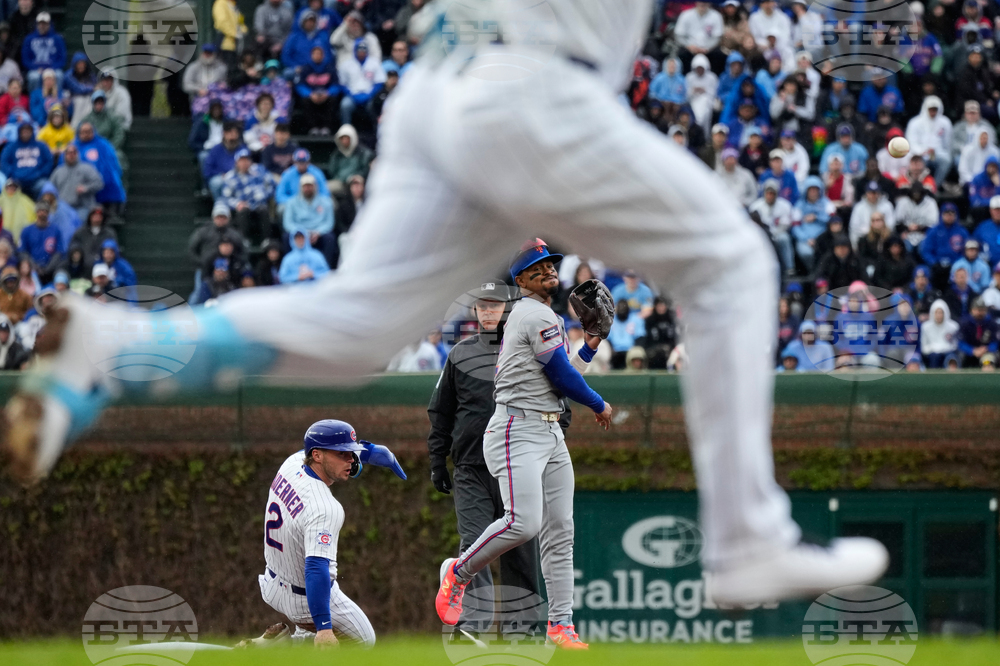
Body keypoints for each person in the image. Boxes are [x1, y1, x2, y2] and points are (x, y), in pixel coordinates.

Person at [7, 6, 890, 609]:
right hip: (530, 86)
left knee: (358, 325)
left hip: (438, 85)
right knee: (733, 262)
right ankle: (746, 541)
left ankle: (115, 344)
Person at [434, 241, 608, 648]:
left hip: (546, 429)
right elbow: (564, 378)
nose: (548, 270)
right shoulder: (532, 313)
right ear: (521, 280)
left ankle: (560, 625)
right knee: (524, 523)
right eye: (537, 267)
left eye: (550, 264)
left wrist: (592, 342)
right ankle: (457, 572)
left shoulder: (542, 316)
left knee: (560, 531)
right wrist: (598, 403)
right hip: (518, 428)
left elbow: (564, 374)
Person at [427, 282, 547, 644]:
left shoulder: (529, 351)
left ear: (508, 310)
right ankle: (472, 627)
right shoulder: (460, 354)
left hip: (518, 464)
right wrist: (437, 459)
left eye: (495, 306)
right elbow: (441, 410)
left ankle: (522, 632)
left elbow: (559, 403)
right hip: (471, 469)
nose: (488, 312)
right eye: (483, 307)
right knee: (473, 543)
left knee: (521, 550)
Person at [253, 419, 404, 648]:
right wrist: (324, 628)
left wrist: (369, 453)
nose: (351, 459)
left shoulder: (292, 463)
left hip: (272, 585)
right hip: (305, 598)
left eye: (352, 453)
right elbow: (316, 569)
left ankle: (284, 642)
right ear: (317, 455)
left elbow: (330, 458)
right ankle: (284, 648)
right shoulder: (325, 507)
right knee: (364, 641)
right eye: (343, 453)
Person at [220, 147, 275, 245]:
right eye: (242, 160)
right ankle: (244, 240)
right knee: (243, 211)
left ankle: (266, 240)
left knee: (264, 209)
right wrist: (237, 204)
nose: (245, 163)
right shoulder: (230, 177)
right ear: (237, 162)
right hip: (243, 207)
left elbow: (272, 184)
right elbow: (225, 197)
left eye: (247, 160)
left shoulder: (259, 171)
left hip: (259, 204)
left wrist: (265, 195)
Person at [282, 174, 338, 268]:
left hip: (319, 233)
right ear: (301, 187)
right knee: (287, 237)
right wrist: (303, 233)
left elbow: (329, 223)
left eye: (310, 186)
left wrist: (318, 232)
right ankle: (292, 267)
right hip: (299, 232)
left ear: (315, 186)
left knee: (330, 238)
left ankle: (325, 268)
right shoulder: (292, 203)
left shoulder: (326, 202)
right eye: (305, 186)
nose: (308, 189)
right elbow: (288, 223)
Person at [73, 121, 125, 207]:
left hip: (103, 184)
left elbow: (111, 165)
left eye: (88, 132)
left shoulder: (103, 145)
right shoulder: (74, 146)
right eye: (83, 132)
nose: (86, 134)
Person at [749, 179, 794, 274]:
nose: (770, 196)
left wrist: (774, 234)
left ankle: (789, 269)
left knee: (784, 238)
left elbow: (785, 225)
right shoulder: (755, 206)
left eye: (772, 193)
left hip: (778, 233)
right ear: (764, 193)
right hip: (762, 234)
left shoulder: (785, 205)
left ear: (776, 194)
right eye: (768, 193)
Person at [337, 39, 386, 127]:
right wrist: (352, 95)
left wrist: (369, 95)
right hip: (352, 95)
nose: (361, 52)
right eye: (359, 49)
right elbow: (342, 84)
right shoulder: (346, 64)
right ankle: (346, 131)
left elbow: (379, 82)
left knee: (374, 105)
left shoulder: (374, 63)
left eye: (363, 49)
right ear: (355, 50)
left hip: (370, 95)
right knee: (345, 105)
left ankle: (375, 131)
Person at [295, 45, 342, 135]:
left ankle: (326, 128)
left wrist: (327, 93)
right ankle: (313, 128)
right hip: (311, 96)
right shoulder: (305, 68)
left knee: (332, 100)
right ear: (311, 55)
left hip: (326, 95)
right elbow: (299, 85)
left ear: (323, 55)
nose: (317, 56)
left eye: (319, 54)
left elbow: (336, 85)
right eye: (315, 54)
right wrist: (310, 94)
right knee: (305, 101)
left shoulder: (330, 68)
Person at [188, 203, 248, 274]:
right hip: (206, 269)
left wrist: (235, 262)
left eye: (223, 217)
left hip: (230, 270)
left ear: (228, 218)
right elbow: (191, 250)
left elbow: (244, 252)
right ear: (213, 217)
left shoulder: (235, 234)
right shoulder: (203, 232)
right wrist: (202, 263)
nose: (221, 219)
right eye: (218, 217)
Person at [51, 144, 104, 222]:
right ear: (65, 155)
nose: (71, 155)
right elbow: (50, 189)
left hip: (83, 207)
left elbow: (99, 183)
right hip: (63, 208)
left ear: (77, 154)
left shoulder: (87, 168)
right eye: (69, 153)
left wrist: (86, 188)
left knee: (79, 224)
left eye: (74, 153)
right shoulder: (58, 172)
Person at [0, 121, 52, 196]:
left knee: (47, 188)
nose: (25, 132)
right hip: (16, 181)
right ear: (19, 132)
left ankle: (43, 207)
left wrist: (40, 173)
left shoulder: (41, 146)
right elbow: (4, 161)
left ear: (32, 131)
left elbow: (49, 161)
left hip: (37, 180)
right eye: (23, 130)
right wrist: (12, 173)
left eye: (28, 130)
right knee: (7, 187)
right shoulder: (11, 147)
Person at [19, 200, 63, 283]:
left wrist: (48, 268)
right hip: (32, 271)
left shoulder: (55, 230)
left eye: (45, 211)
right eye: (40, 211)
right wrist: (34, 266)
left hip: (50, 270)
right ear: (36, 212)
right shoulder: (27, 230)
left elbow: (59, 252)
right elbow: (23, 251)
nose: (42, 213)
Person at [21, 12, 65, 91]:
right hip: (35, 69)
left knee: (59, 75)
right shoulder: (29, 39)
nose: (42, 26)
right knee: (34, 77)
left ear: (49, 24)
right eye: (40, 24)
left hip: (53, 68)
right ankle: (35, 99)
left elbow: (62, 59)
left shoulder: (57, 38)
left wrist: (52, 68)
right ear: (37, 24)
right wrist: (35, 68)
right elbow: (25, 59)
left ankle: (57, 99)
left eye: (45, 24)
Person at [203, 121, 244, 201]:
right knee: (216, 182)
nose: (232, 136)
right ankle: (220, 206)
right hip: (221, 177)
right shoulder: (216, 149)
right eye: (230, 132)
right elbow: (207, 171)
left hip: (239, 176)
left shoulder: (242, 149)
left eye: (235, 133)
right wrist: (221, 174)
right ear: (224, 134)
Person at [326, 124, 373, 189]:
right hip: (341, 182)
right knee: (325, 188)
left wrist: (354, 176)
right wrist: (343, 178)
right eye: (342, 139)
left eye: (347, 138)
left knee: (356, 184)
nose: (345, 141)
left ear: (353, 138)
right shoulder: (337, 154)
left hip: (357, 182)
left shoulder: (363, 153)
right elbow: (332, 171)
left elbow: (365, 170)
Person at [957, 297, 999, 367]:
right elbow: (960, 342)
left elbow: (995, 341)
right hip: (969, 353)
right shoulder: (965, 323)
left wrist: (987, 349)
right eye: (977, 310)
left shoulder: (992, 323)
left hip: (986, 352)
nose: (979, 312)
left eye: (982, 310)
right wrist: (972, 350)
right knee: (959, 357)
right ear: (972, 310)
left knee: (988, 361)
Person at [920, 299, 959, 368]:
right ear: (932, 313)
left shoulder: (954, 326)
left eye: (941, 313)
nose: (939, 315)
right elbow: (924, 347)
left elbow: (955, 345)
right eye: (936, 312)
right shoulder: (925, 327)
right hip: (932, 354)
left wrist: (943, 348)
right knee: (935, 357)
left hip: (948, 352)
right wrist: (935, 348)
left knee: (951, 357)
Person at [0, 178, 35, 244]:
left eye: (14, 187)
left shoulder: (26, 201)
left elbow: (33, 218)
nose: (11, 189)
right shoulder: (1, 200)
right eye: (9, 186)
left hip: (19, 240)